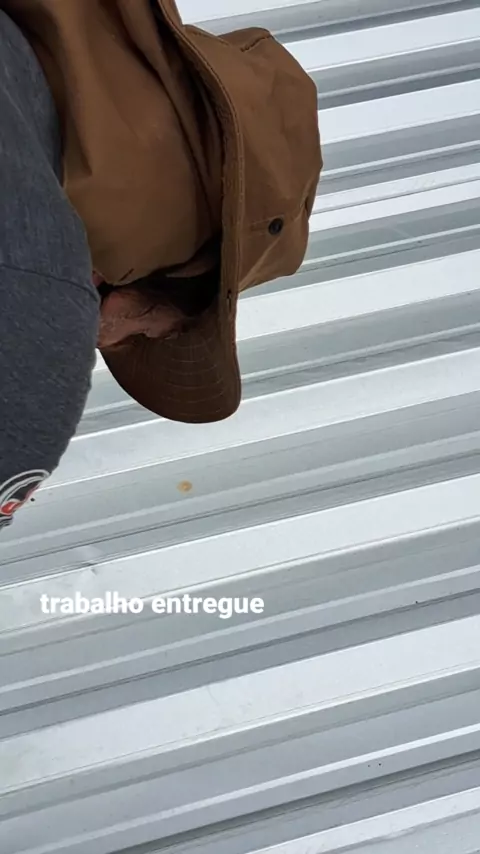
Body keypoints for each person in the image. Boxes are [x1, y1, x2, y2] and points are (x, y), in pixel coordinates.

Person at [0, 0, 322, 530]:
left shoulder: (15, 52)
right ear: (165, 261)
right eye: (149, 328)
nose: (107, 342)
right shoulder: (37, 311)